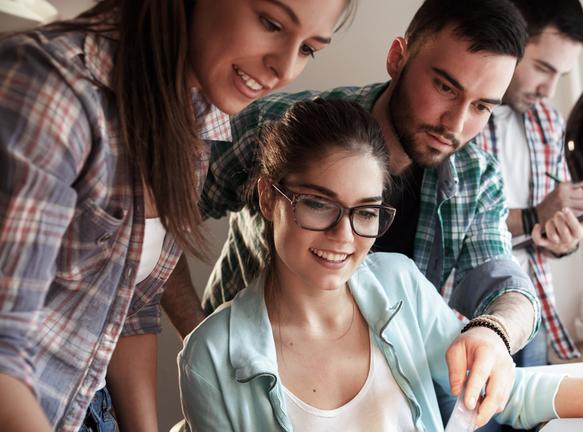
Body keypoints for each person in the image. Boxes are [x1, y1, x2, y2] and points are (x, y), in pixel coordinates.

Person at [179, 97, 583, 432]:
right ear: (266, 198)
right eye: (317, 204)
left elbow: (507, 391)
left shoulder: (396, 285)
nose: (343, 236)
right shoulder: (210, 359)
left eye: (365, 212)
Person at [165, 0, 535, 427]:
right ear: (398, 58)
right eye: (446, 89)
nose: (455, 123)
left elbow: (505, 285)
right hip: (255, 392)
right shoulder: (280, 129)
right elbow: (155, 217)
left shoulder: (476, 175)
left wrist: (495, 332)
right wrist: (203, 338)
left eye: (482, 107)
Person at [0, 0, 355, 430]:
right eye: (271, 23)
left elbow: (132, 305)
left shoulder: (196, 120)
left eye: (308, 49)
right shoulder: (51, 94)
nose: (284, 69)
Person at [477, 0, 583, 367]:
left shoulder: (549, 121)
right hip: (462, 318)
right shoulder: (457, 120)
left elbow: (544, 240)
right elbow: (451, 228)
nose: (549, 90)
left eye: (560, 76)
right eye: (543, 68)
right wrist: (534, 215)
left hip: (533, 310)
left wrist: (565, 236)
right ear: (510, 42)